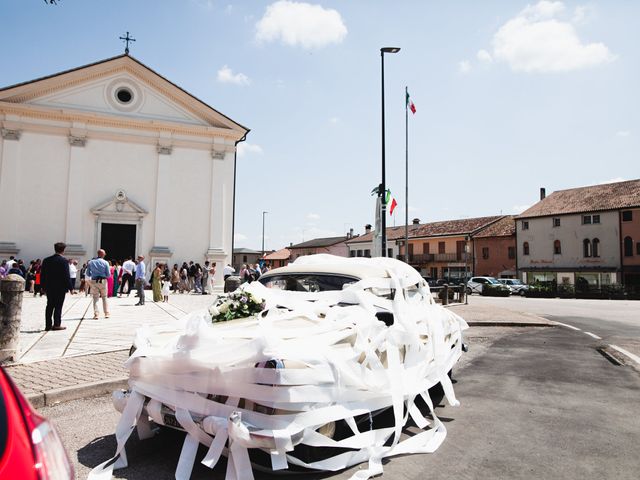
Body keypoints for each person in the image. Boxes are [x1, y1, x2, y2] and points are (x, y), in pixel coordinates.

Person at [40, 242, 71, 331]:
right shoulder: (64, 261)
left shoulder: (46, 260)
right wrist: (70, 287)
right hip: (60, 288)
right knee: (58, 306)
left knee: (49, 305)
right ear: (63, 250)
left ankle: (48, 325)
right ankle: (57, 324)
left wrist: (42, 286)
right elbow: (66, 275)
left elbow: (43, 275)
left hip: (49, 287)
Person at [86, 249, 111, 319]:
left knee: (95, 298)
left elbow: (88, 273)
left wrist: (94, 273)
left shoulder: (91, 262)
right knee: (104, 297)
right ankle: (106, 313)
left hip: (94, 281)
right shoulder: (106, 262)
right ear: (102, 254)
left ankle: (96, 314)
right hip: (103, 281)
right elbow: (108, 275)